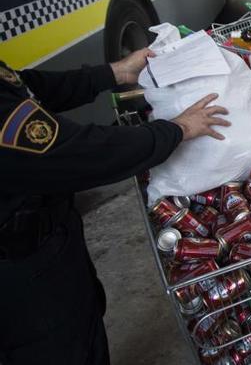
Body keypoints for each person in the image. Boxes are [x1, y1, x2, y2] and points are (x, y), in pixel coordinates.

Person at [0, 49, 230, 365]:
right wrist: (177, 129)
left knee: (83, 322)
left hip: (47, 243)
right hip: (19, 276)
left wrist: (116, 72)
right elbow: (74, 153)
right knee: (60, 347)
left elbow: (25, 88)